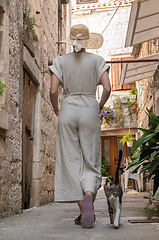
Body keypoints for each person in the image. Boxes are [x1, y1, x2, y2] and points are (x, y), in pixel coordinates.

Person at [49, 24, 111, 228]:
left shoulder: (60, 61)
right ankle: (89, 194)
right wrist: (98, 106)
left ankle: (82, 206)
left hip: (68, 107)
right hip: (89, 109)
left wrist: (57, 110)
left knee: (71, 160)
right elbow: (108, 88)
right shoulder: (97, 60)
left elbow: (52, 90)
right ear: (87, 41)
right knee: (90, 160)